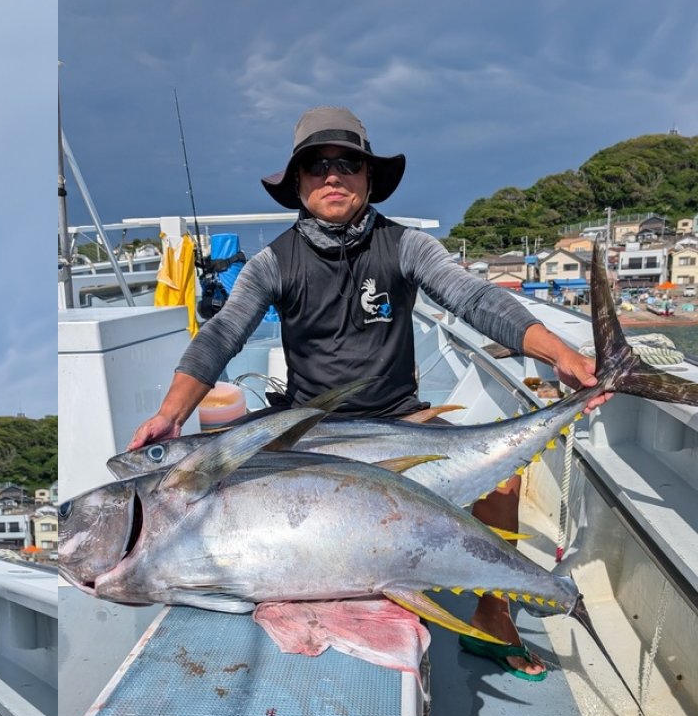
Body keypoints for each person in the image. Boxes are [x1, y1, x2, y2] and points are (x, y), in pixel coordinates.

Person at [129, 106, 609, 682]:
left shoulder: (404, 246)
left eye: (347, 164)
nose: (333, 176)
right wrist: (169, 414)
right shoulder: (272, 263)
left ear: (368, 177)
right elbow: (222, 336)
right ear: (299, 184)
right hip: (305, 432)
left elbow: (476, 300)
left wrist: (562, 355)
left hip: (399, 419)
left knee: (503, 482)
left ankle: (494, 614)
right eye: (316, 166)